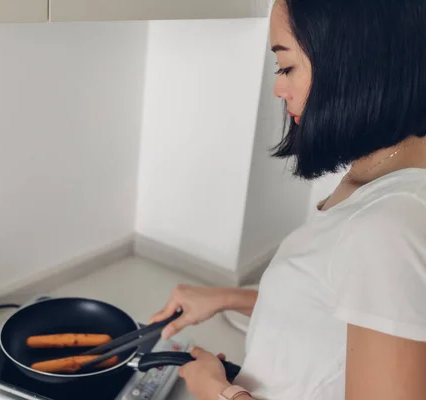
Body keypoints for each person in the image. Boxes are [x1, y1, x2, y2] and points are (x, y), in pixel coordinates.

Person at [149, 0, 426, 399]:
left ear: (355, 62)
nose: (279, 88)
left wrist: (218, 392)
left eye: (286, 67)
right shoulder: (378, 178)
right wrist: (226, 298)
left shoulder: (389, 229)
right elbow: (333, 309)